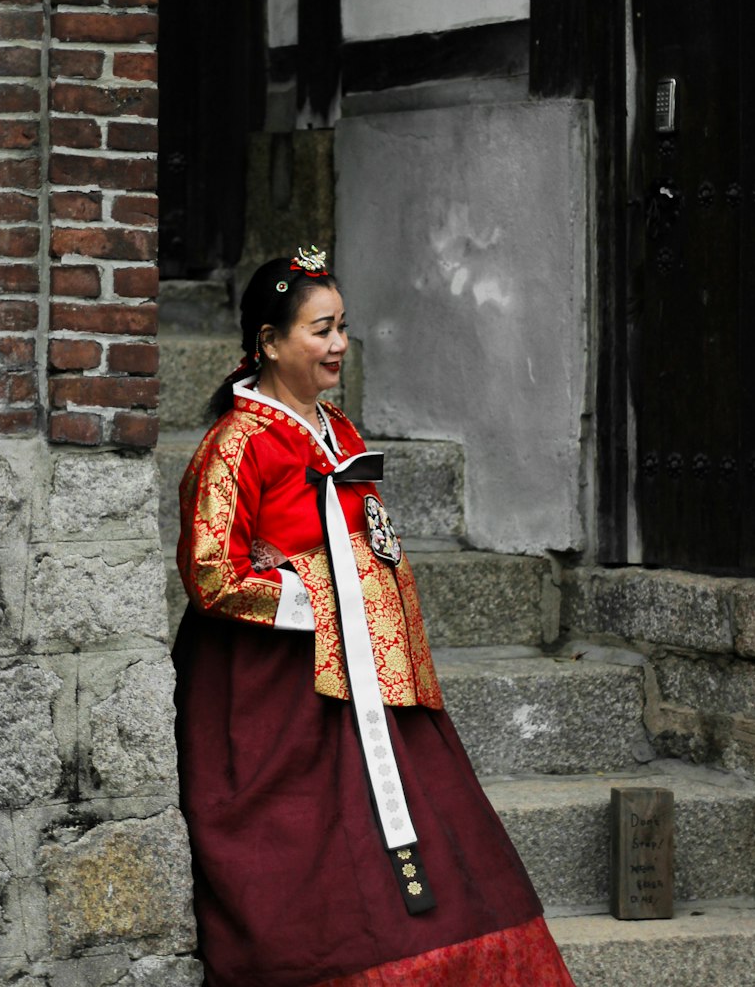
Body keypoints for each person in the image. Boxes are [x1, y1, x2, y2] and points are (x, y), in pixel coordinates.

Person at [172, 247, 576, 987]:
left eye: (343, 328)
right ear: (267, 341)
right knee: (310, 854)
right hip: (276, 684)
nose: (337, 346)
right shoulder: (235, 446)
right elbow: (211, 574)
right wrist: (324, 602)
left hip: (373, 679)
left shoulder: (341, 433)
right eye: (320, 330)